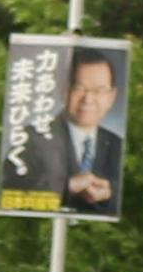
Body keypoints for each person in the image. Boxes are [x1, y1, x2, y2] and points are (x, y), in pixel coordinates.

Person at [11, 46, 124, 211]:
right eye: (79, 88)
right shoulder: (30, 139)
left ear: (112, 97)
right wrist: (68, 186)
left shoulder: (118, 145)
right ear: (63, 90)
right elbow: (12, 195)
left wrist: (108, 195)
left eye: (100, 90)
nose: (88, 99)